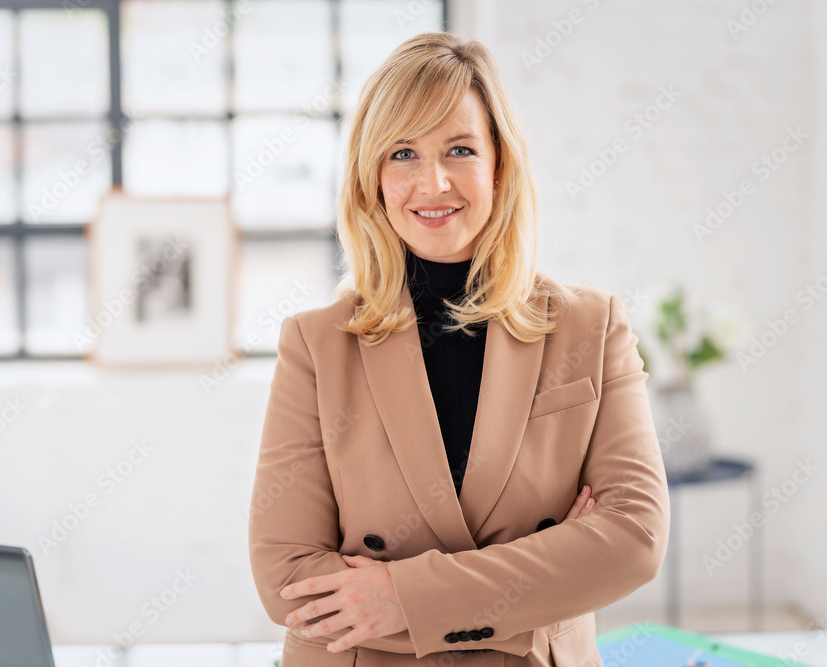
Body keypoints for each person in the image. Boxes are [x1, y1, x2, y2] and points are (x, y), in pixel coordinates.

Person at [247, 31, 670, 667]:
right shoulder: (316, 345)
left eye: (460, 149)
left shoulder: (592, 327)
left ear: (500, 163)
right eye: (404, 154)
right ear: (373, 178)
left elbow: (634, 538)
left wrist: (399, 596)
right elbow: (289, 580)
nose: (433, 182)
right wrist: (549, 580)